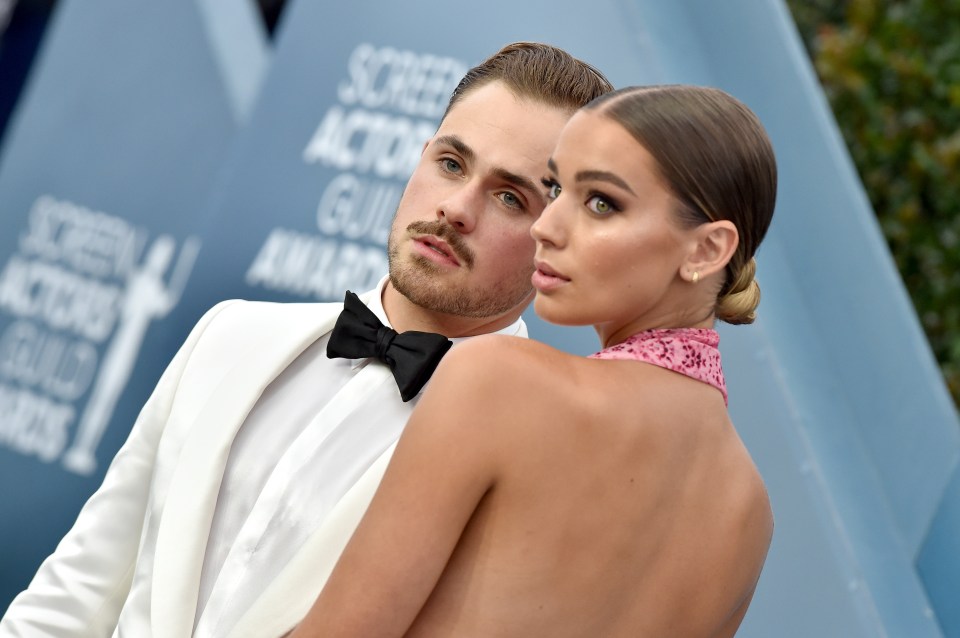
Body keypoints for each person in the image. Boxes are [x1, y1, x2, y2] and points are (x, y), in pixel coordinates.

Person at [0, 43, 613, 637]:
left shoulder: (537, 453)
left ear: (558, 235)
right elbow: (76, 590)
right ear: (421, 156)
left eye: (510, 196)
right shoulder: (230, 335)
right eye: (451, 164)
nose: (455, 207)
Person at [288, 84, 777, 637]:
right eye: (556, 190)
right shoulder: (749, 511)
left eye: (601, 203)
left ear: (707, 250)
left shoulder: (499, 382)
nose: (546, 226)